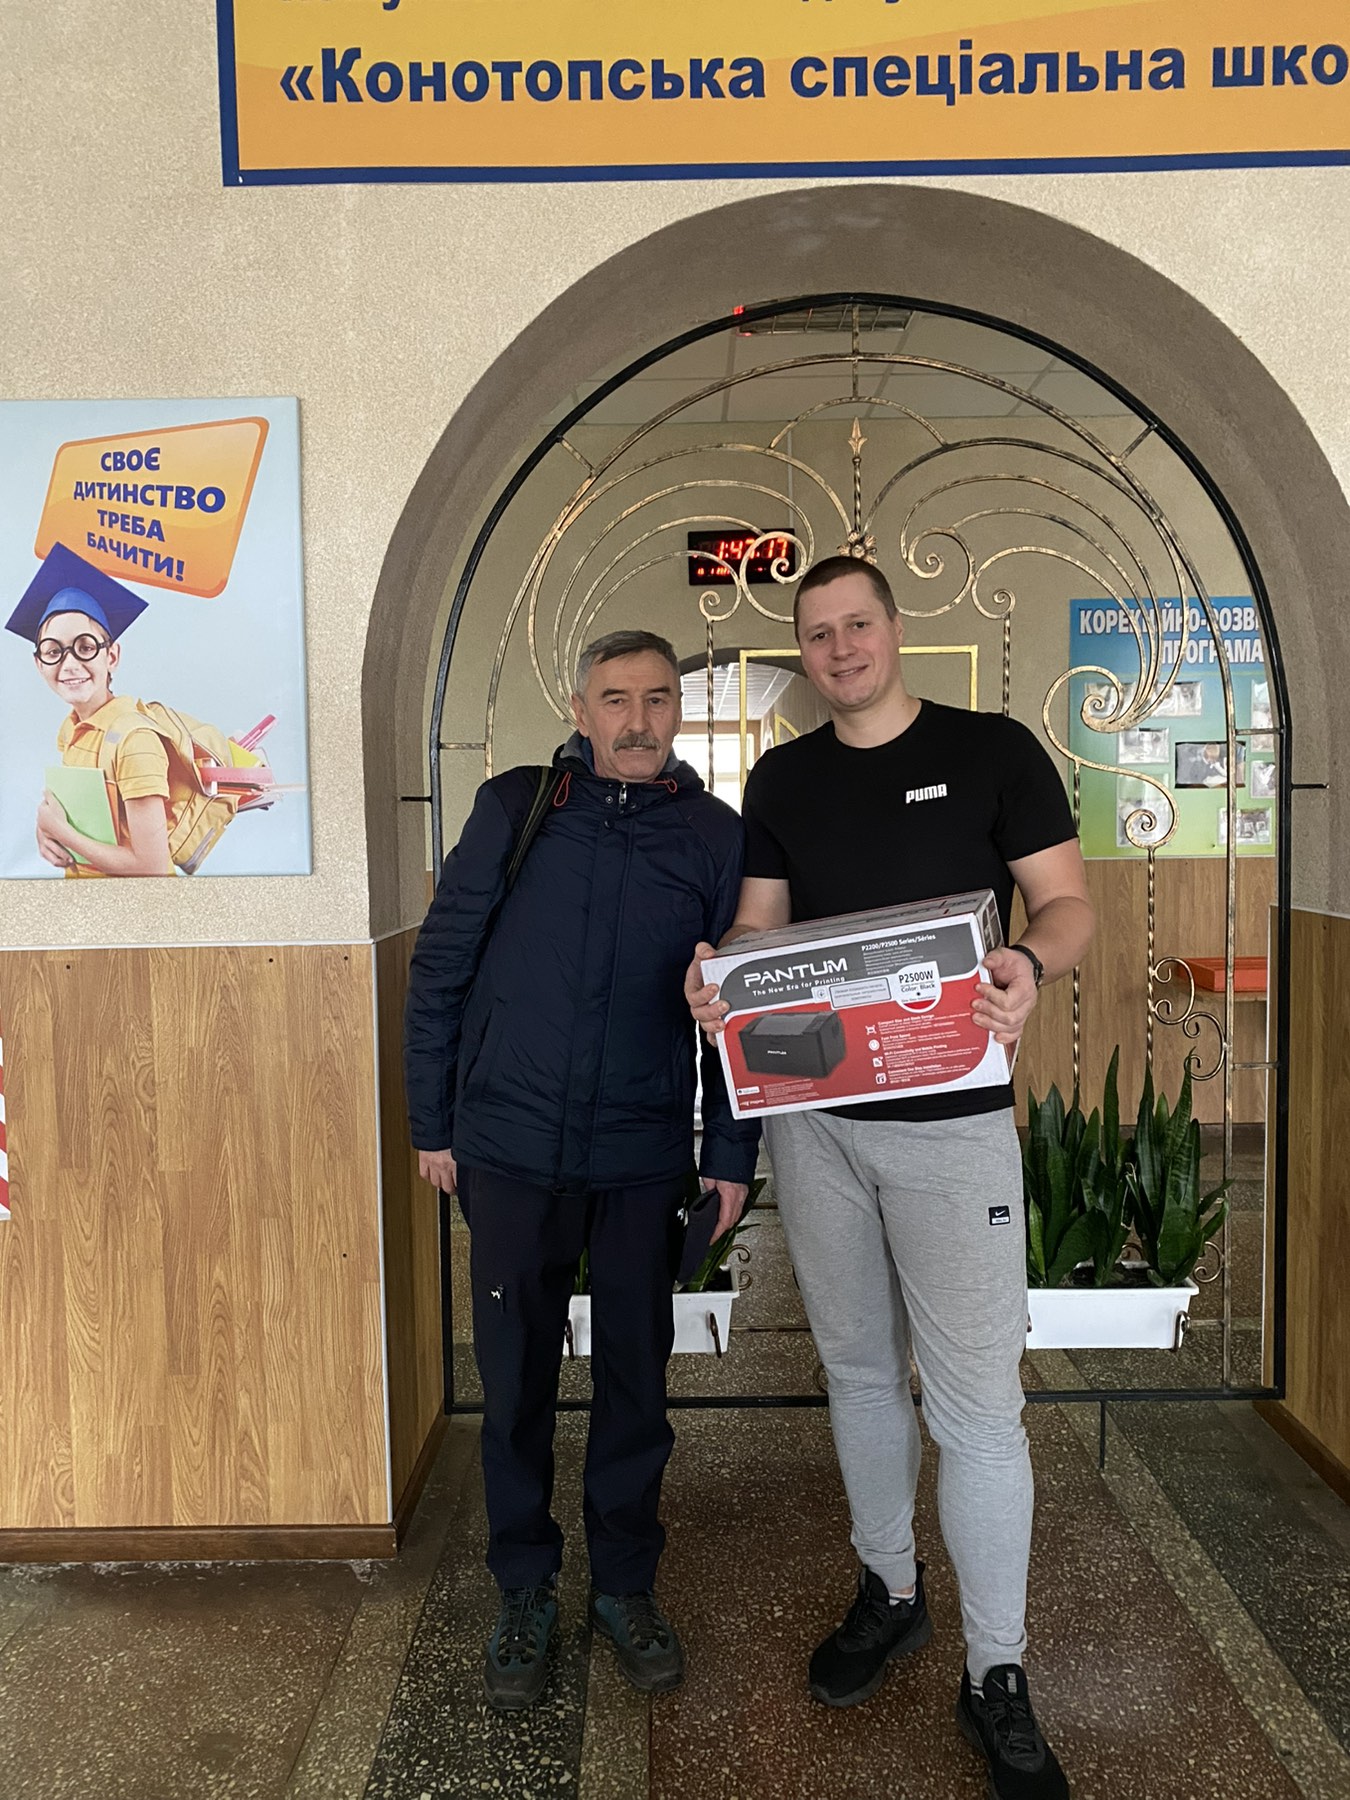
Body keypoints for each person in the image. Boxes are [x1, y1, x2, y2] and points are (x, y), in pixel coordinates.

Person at [686, 557, 1094, 1800]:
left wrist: (1028, 965)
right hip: (819, 1127)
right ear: (803, 651)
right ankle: (892, 1590)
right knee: (860, 1370)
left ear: (894, 629)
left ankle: (997, 1670)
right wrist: (722, 975)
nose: (840, 648)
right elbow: (763, 924)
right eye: (817, 633)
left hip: (954, 1126)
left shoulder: (994, 750)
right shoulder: (783, 778)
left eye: (857, 624)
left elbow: (1067, 905)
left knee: (977, 1409)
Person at [405, 628, 759, 1712]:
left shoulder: (713, 835)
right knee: (513, 1380)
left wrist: (729, 1155)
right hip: (508, 1147)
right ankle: (524, 1586)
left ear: (678, 712)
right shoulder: (517, 809)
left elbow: (736, 1009)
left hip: (640, 1156)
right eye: (616, 698)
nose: (637, 720)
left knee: (635, 1384)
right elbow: (441, 967)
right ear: (580, 708)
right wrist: (432, 1125)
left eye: (657, 699)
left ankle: (625, 1584)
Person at [7, 543, 171, 876]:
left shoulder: (134, 740)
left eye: (85, 647)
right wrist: (46, 832)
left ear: (111, 657)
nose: (69, 664)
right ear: (39, 664)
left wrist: (60, 830)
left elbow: (152, 868)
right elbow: (83, 816)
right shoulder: (70, 729)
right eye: (53, 651)